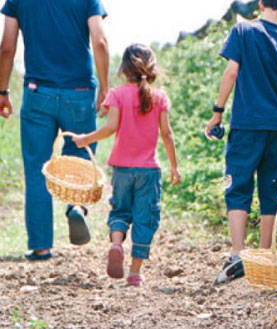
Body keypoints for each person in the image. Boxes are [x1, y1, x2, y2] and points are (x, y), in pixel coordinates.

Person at [205, 0, 277, 284]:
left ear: (261, 3)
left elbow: (231, 72)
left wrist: (217, 112)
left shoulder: (242, 31)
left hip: (245, 125)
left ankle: (238, 254)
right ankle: (265, 257)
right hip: (276, 127)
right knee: (272, 188)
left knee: (238, 185)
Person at [0, 0, 109, 260]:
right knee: (81, 156)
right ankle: (78, 207)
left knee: (37, 167)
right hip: (80, 91)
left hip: (38, 92)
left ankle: (41, 245)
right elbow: (100, 41)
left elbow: (7, 48)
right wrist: (105, 87)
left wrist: (3, 90)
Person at [73, 43, 180, 286]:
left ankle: (117, 243)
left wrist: (85, 139)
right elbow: (167, 134)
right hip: (149, 171)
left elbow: (111, 128)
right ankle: (134, 273)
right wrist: (174, 166)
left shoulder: (117, 94)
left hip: (121, 169)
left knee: (120, 211)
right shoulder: (160, 96)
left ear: (123, 68)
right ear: (151, 67)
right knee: (145, 218)